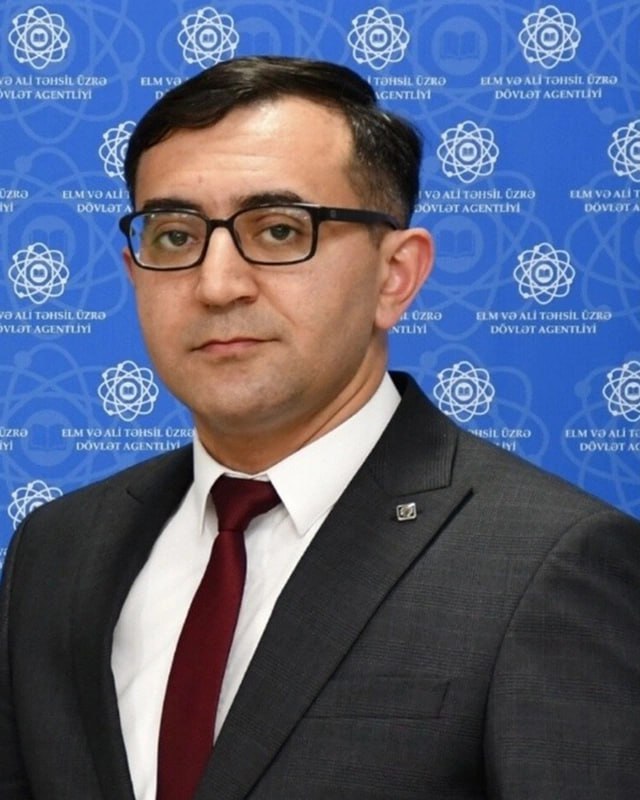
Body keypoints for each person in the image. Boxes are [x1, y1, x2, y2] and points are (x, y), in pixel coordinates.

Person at [1, 55, 639, 800]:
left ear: (395, 275)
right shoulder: (58, 549)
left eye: (278, 230)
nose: (217, 285)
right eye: (174, 236)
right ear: (134, 270)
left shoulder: (546, 563)